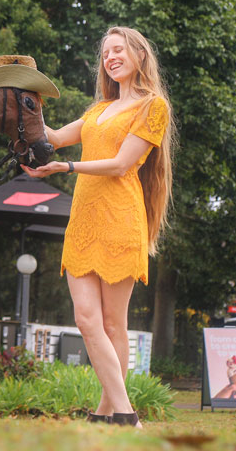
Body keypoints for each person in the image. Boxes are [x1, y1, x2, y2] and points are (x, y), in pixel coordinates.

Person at [21, 26, 175, 428]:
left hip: (121, 219)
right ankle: (120, 414)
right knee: (88, 320)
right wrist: (23, 102)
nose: (111, 58)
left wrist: (67, 166)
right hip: (83, 221)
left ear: (139, 54)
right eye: (106, 53)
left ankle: (115, 414)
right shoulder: (97, 110)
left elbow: (123, 163)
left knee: (112, 323)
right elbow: (53, 137)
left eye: (118, 50)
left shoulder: (152, 107)